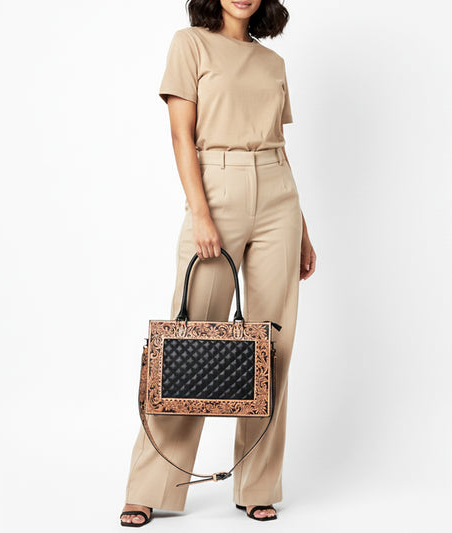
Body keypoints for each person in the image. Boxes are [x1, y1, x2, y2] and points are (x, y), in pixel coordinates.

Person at [120, 0, 316, 526]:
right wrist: (202, 215)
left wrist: (302, 228)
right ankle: (151, 485)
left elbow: (279, 146)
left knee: (271, 344)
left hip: (278, 195)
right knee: (190, 339)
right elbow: (180, 134)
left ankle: (258, 485)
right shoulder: (190, 44)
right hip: (217, 186)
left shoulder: (272, 63)